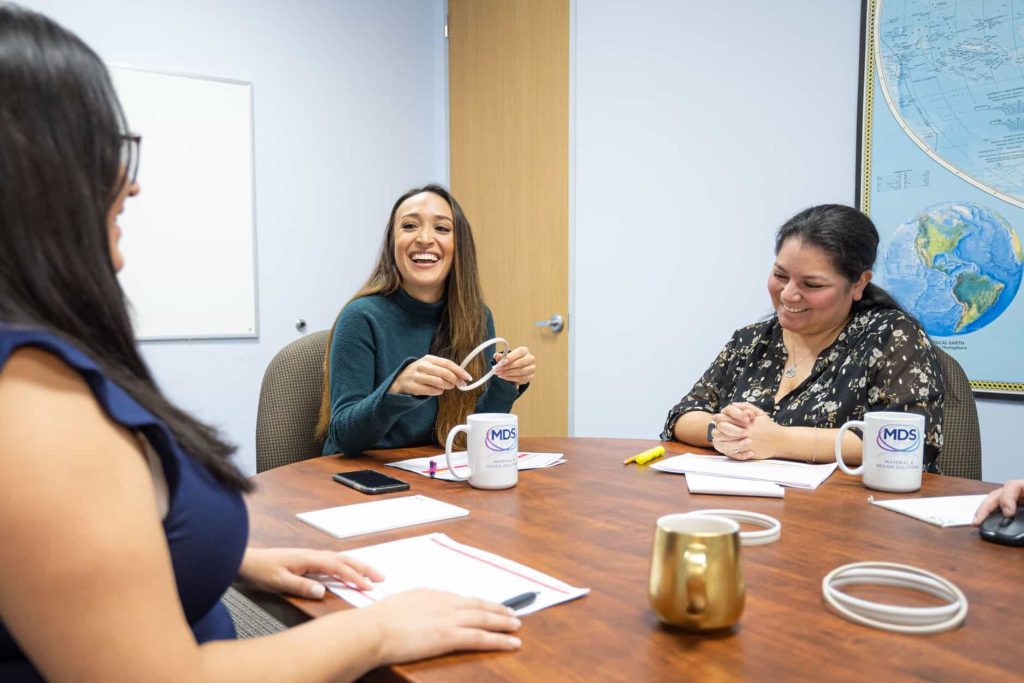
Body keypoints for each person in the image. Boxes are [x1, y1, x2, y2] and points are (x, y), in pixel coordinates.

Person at [0, 6, 520, 682]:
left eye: (441, 227)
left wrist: (228, 556)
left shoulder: (475, 313)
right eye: (108, 151)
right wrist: (379, 629)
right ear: (37, 173)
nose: (131, 182)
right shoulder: (31, 404)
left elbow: (76, 545)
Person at [662, 204, 944, 470]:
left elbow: (911, 439)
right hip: (753, 505)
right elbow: (682, 416)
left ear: (859, 283)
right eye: (780, 275)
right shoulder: (750, 341)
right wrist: (724, 431)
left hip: (848, 513)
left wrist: (778, 441)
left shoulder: (890, 335)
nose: (787, 294)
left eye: (812, 284)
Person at [316, 184, 535, 455]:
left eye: (441, 228)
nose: (424, 238)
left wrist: (506, 382)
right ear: (391, 243)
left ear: (459, 245)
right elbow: (344, 436)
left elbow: (468, 436)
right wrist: (396, 389)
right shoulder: (360, 317)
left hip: (435, 475)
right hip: (365, 478)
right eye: (409, 226)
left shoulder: (476, 317)